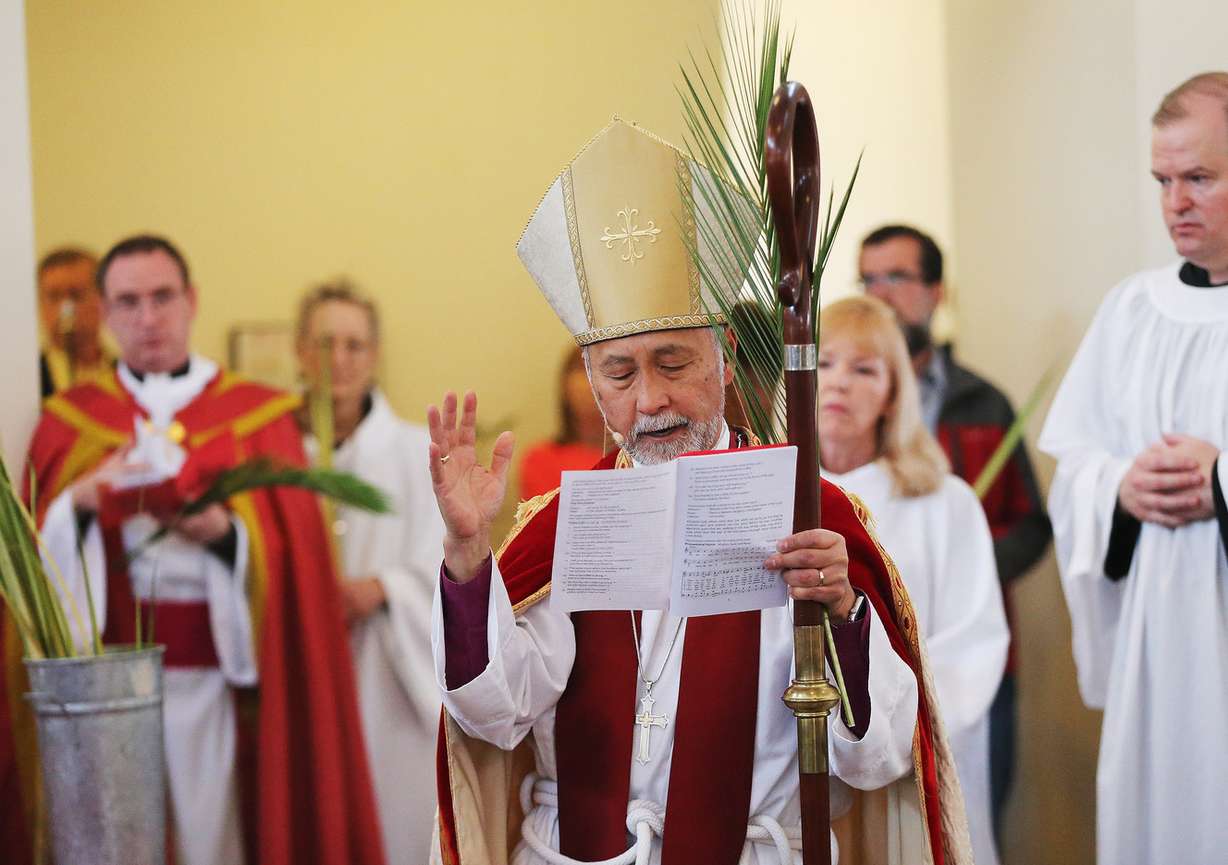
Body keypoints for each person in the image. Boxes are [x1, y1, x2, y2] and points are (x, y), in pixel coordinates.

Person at [428, 119, 971, 865]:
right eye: (619, 374)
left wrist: (843, 612)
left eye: (673, 362)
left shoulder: (811, 514)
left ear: (725, 359)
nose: (650, 400)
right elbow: (495, 713)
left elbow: (874, 760)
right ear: (592, 384)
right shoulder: (565, 527)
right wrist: (466, 553)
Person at [5, 236, 383, 865]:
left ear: (192, 300)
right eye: (127, 302)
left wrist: (228, 537)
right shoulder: (67, 422)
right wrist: (78, 505)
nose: (147, 318)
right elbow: (27, 576)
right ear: (104, 311)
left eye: (162, 297)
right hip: (107, 687)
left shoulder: (259, 419)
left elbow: (298, 569)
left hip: (219, 687)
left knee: (216, 842)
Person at [1039, 71, 1228, 865]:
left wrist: (1220, 480)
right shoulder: (1131, 308)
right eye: (1162, 181)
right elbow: (1074, 459)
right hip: (1157, 638)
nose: (1175, 201)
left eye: (1200, 178)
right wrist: (1118, 486)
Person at [858, 224, 1050, 834]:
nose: (880, 292)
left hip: (972, 653)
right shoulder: (839, 403)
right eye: (868, 278)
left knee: (968, 816)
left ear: (935, 291)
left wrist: (966, 569)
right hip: (876, 659)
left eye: (897, 276)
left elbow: (1031, 521)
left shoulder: (983, 402)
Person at [817, 295, 1008, 865]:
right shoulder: (777, 495)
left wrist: (891, 725)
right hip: (807, 757)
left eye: (863, 369)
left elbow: (973, 641)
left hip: (915, 752)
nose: (839, 383)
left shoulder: (943, 503)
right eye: (824, 363)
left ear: (895, 392)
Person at [295, 279, 446, 865]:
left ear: (375, 354)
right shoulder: (277, 455)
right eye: (324, 342)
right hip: (303, 671)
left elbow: (453, 568)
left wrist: (383, 589)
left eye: (354, 344)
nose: (339, 359)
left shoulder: (417, 453)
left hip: (390, 679)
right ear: (301, 352)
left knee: (390, 826)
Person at [517, 346, 606, 500]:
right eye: (584, 369)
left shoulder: (643, 457)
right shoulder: (540, 460)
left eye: (607, 371)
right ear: (565, 385)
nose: (592, 381)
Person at [35, 247, 114, 397]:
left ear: (103, 301)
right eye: (54, 297)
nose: (65, 310)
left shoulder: (129, 375)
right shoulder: (25, 377)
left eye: (76, 295)